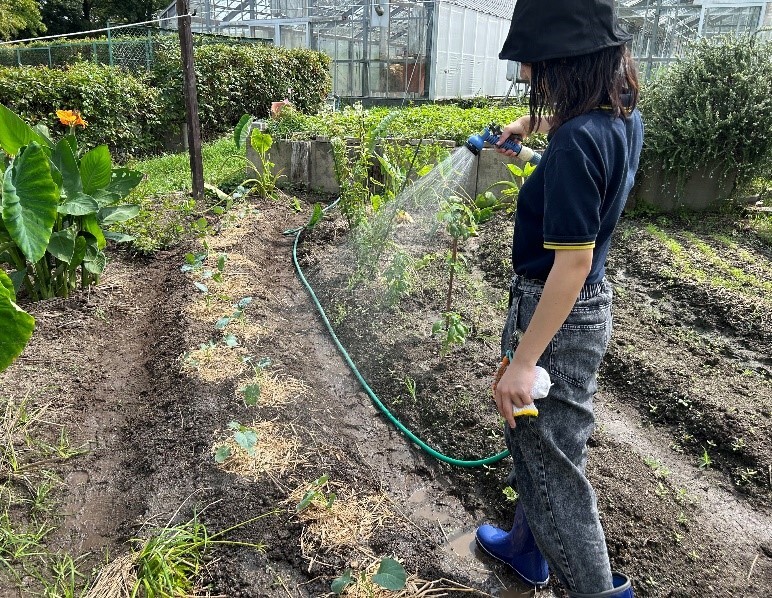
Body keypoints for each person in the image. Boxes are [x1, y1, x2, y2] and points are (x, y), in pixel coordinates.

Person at [474, 2, 643, 598]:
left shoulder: (576, 143)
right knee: (548, 445)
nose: (528, 73)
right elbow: (580, 145)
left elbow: (569, 265)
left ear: (565, 65)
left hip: (555, 312)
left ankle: (598, 592)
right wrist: (534, 128)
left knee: (553, 467)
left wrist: (523, 362)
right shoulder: (621, 117)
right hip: (588, 306)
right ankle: (526, 549)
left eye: (536, 65)